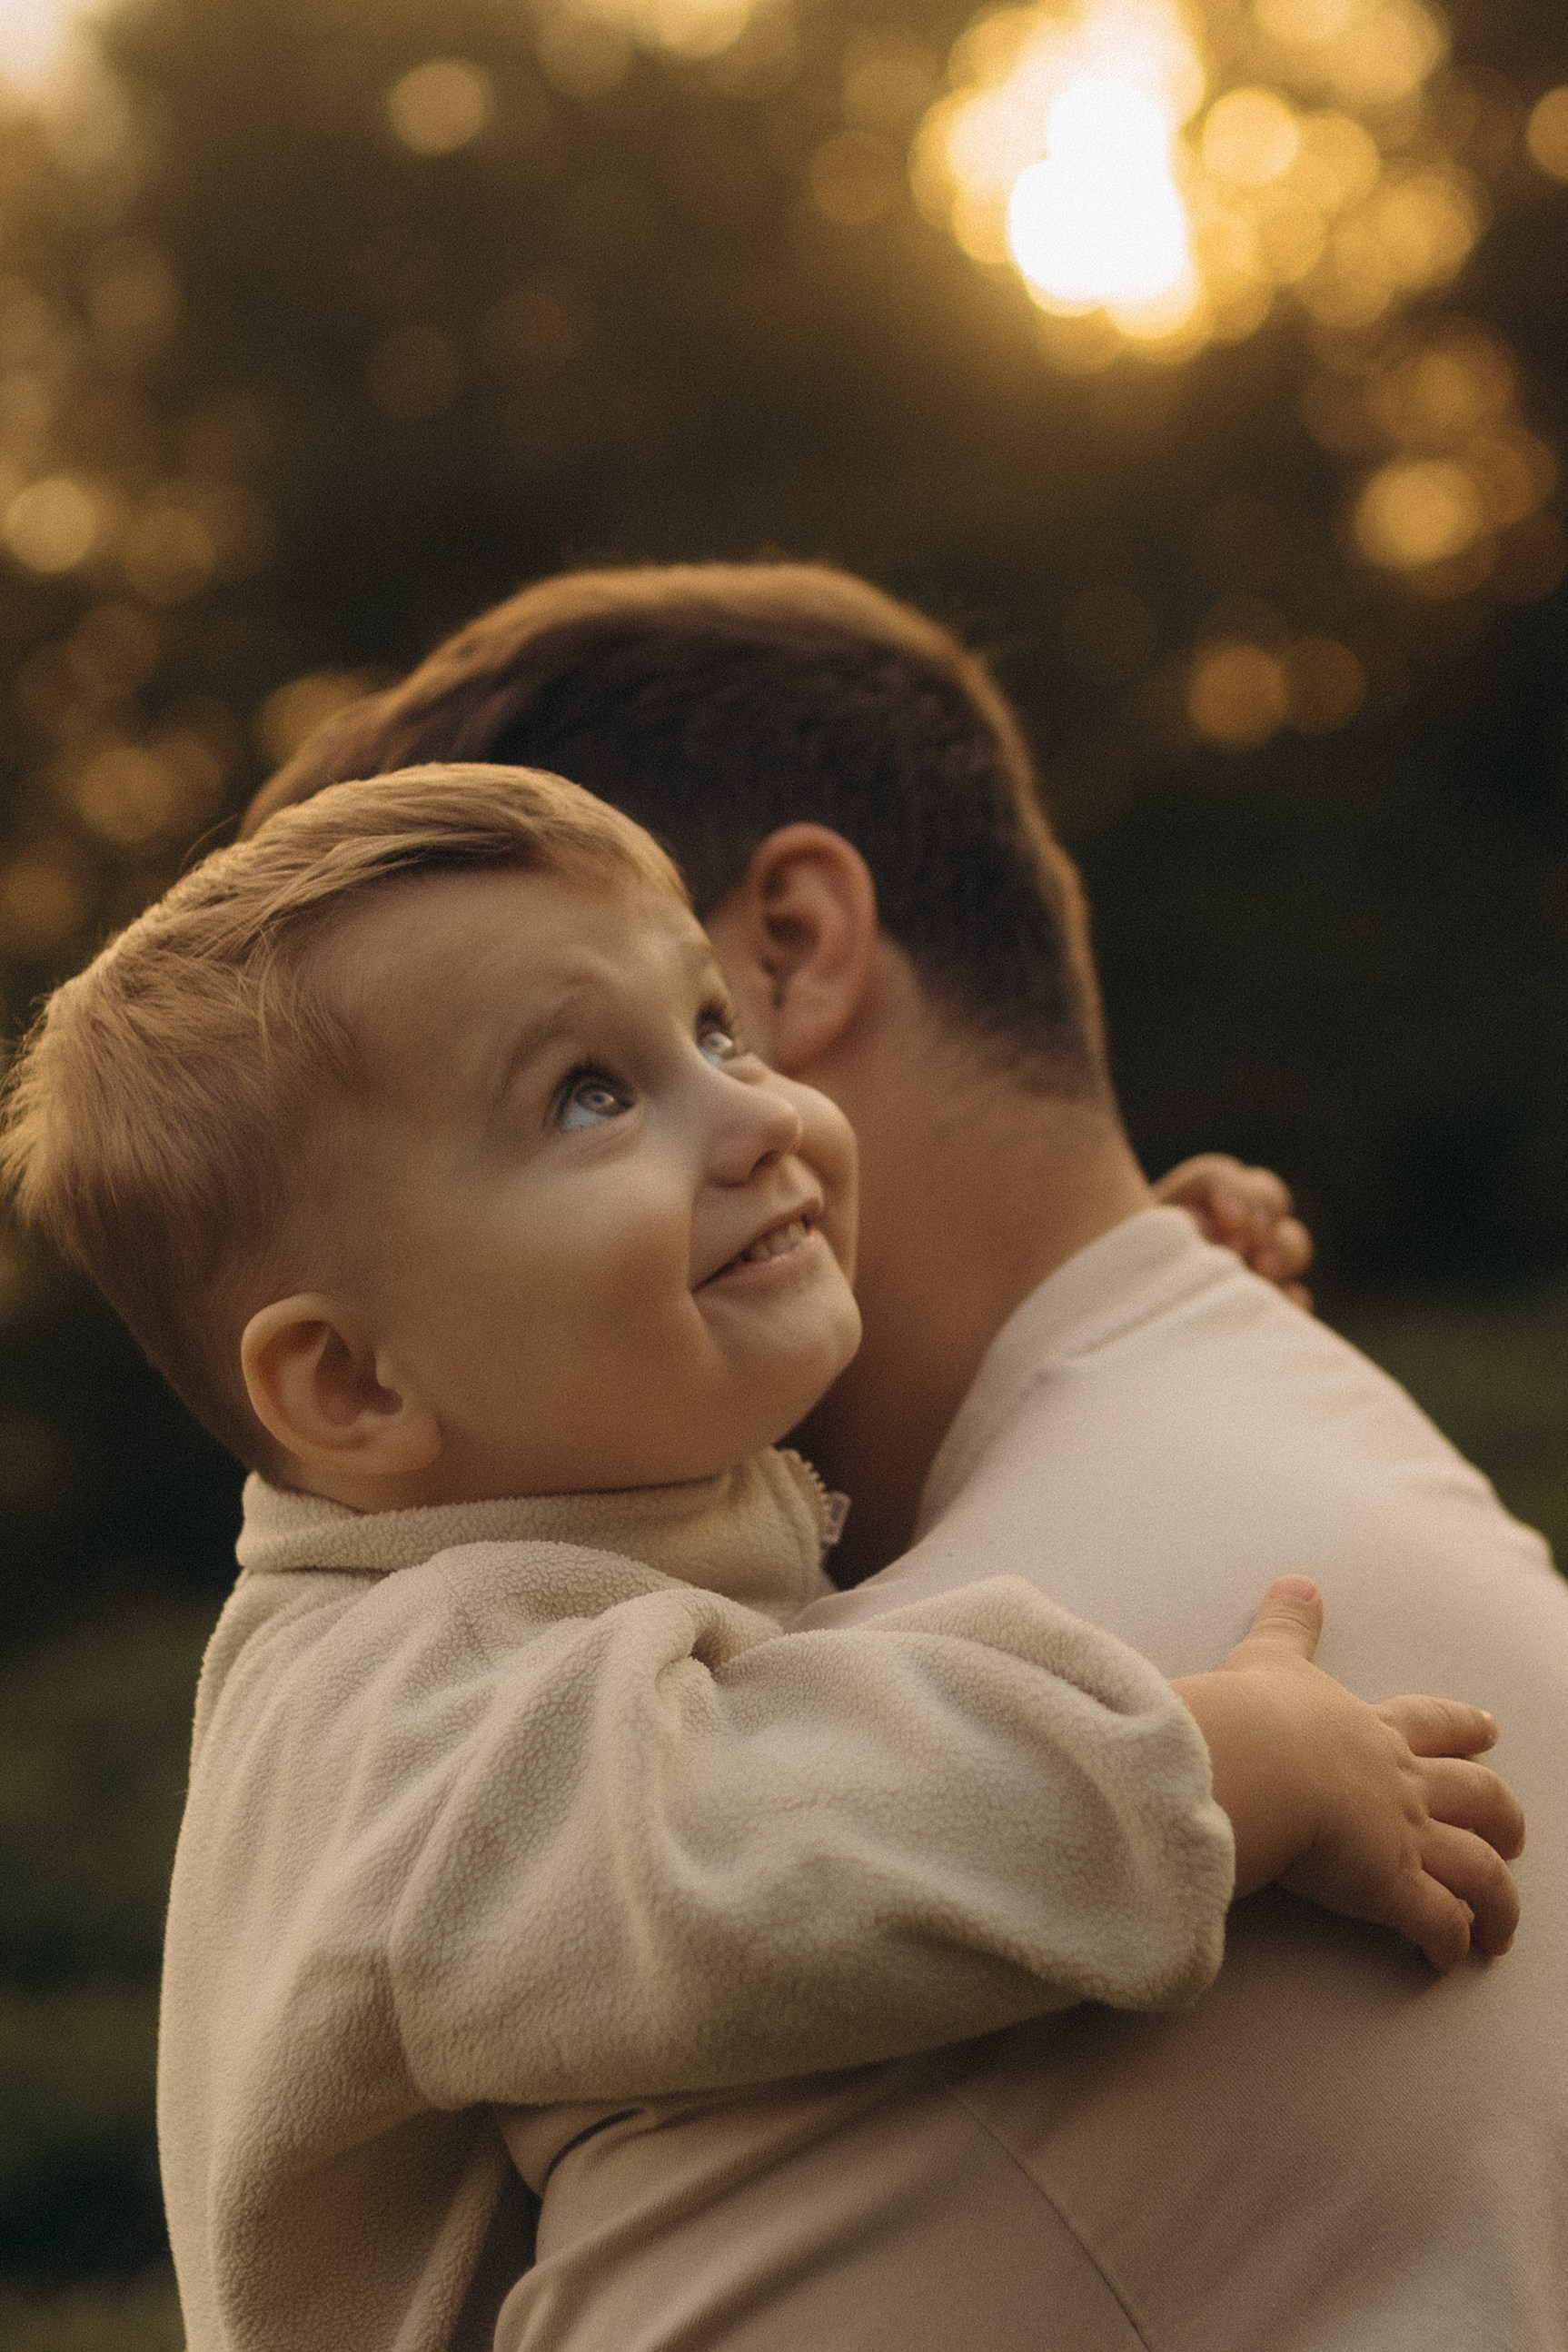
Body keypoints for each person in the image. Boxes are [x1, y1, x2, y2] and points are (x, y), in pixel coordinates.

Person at [0, 765, 1520, 2352]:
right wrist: (1216, 1767)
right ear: (355, 1384)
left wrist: (1139, 1273)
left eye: (715, 1030)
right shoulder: (408, 1712)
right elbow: (758, 1851)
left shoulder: (542, 1509)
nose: (760, 1110)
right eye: (588, 1095)